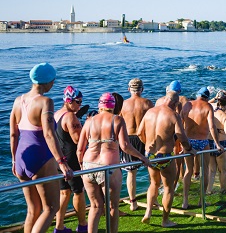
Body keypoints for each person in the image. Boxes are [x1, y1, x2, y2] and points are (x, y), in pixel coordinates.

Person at [10, 62, 73, 233]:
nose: (53, 84)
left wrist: (15, 161)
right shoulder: (46, 102)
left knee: (33, 210)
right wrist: (62, 163)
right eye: (53, 80)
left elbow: (13, 134)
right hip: (41, 157)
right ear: (47, 82)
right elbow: (48, 134)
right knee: (51, 208)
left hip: (21, 157)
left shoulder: (18, 101)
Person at [76, 93, 150, 233]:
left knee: (95, 206)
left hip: (88, 166)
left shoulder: (89, 121)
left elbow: (79, 150)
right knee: (112, 206)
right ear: (113, 106)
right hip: (108, 167)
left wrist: (81, 168)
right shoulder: (117, 120)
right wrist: (142, 157)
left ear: (99, 105)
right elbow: (125, 146)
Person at [137, 91, 196, 227]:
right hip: (165, 156)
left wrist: (147, 143)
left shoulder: (150, 112)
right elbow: (181, 136)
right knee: (168, 188)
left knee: (153, 183)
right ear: (175, 103)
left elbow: (140, 132)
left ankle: (148, 212)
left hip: (150, 154)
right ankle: (165, 220)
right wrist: (189, 148)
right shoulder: (173, 115)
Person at [180, 87, 224, 209]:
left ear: (198, 95)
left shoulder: (187, 105)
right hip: (203, 141)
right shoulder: (208, 107)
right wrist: (218, 144)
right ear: (207, 97)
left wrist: (181, 142)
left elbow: (179, 124)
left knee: (188, 171)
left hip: (188, 141)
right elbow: (211, 127)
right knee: (205, 170)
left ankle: (185, 201)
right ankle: (201, 200)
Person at [54, 86, 88, 233]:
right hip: (72, 160)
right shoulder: (70, 117)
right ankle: (82, 226)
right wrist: (86, 125)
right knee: (78, 192)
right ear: (69, 101)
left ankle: (59, 227)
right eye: (78, 101)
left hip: (58, 159)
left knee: (64, 193)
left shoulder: (55, 114)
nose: (80, 105)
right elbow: (78, 140)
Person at [119, 78, 154, 211]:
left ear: (129, 89)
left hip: (128, 140)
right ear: (142, 89)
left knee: (131, 173)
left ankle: (133, 202)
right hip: (144, 138)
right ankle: (154, 199)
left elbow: (118, 123)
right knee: (151, 170)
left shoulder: (123, 105)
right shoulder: (148, 103)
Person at [206, 96, 226, 194]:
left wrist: (215, 98)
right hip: (222, 143)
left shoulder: (211, 113)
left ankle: (208, 190)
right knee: (222, 170)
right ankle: (223, 190)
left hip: (210, 141)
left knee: (211, 169)